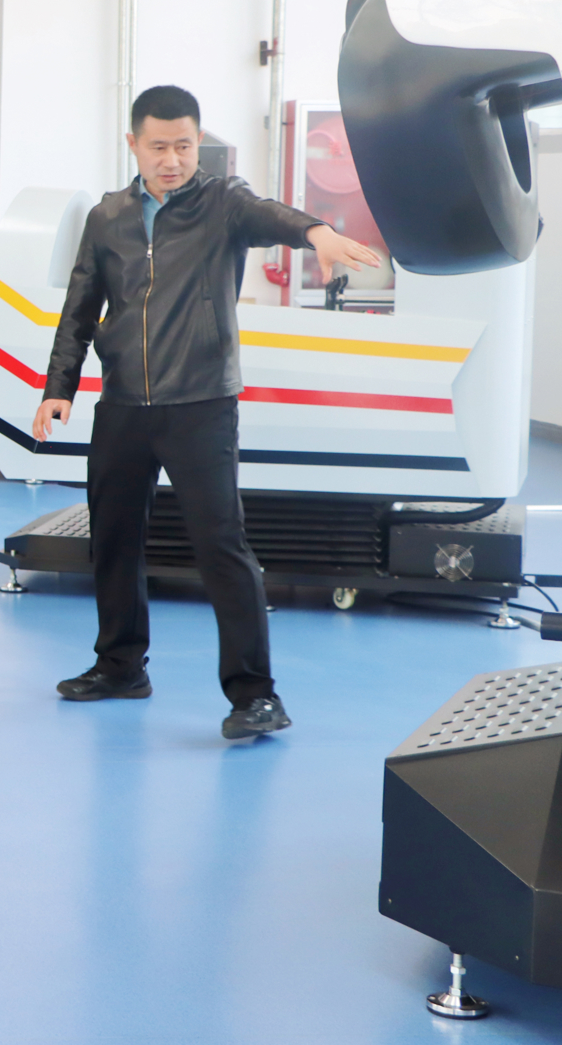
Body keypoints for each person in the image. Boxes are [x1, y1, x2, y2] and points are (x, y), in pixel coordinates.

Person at [32, 84, 382, 740]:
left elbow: (271, 215)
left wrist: (317, 232)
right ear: (133, 143)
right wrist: (59, 386)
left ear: (199, 144)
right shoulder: (107, 217)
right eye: (158, 146)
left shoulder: (223, 203)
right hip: (123, 405)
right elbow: (79, 308)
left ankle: (255, 694)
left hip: (201, 405)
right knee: (112, 538)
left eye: (184, 146)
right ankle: (120, 666)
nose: (172, 160)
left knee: (222, 545)